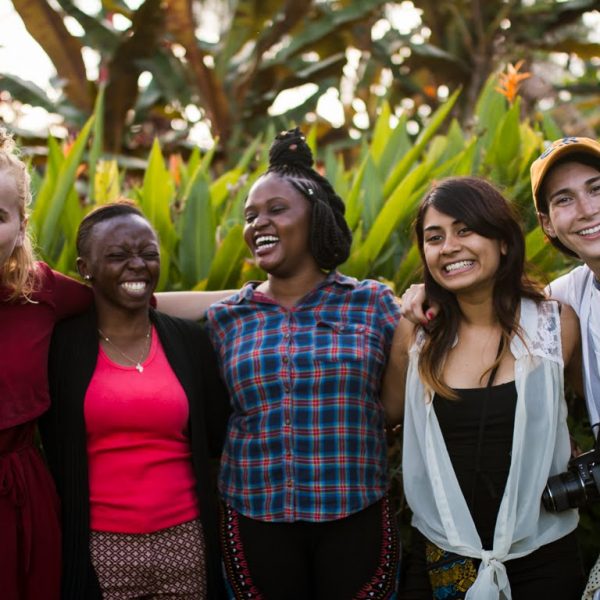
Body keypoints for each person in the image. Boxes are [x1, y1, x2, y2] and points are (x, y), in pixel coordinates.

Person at [204, 128, 402, 600]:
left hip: (356, 509)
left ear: (315, 218)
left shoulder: (373, 304)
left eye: (275, 210)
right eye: (250, 216)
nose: (257, 224)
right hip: (254, 514)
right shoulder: (226, 318)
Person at [401, 137, 600, 599]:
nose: (586, 210)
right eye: (565, 199)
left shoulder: (555, 314)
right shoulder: (565, 303)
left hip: (544, 551)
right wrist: (419, 295)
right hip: (447, 552)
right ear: (547, 224)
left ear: (504, 241)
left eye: (597, 189)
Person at [39, 202, 231, 599]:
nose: (137, 265)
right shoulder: (59, 349)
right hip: (101, 547)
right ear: (84, 267)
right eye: (117, 255)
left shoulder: (189, 342)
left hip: (186, 542)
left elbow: (214, 439)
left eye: (148, 254)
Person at [0, 128, 92, 600]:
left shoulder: (40, 292)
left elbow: (128, 303)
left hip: (22, 499)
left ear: (20, 225)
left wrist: (247, 301)